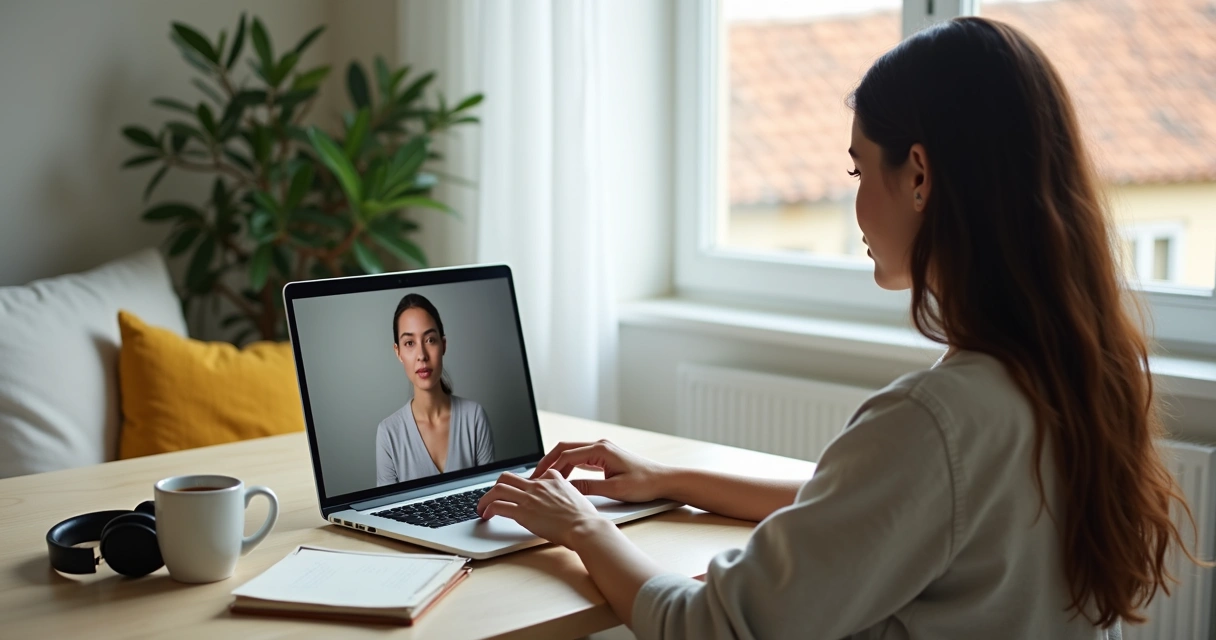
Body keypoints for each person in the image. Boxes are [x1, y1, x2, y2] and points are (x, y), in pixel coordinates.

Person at [474, 16, 1206, 639]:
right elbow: (874, 517)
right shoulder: (1080, 378)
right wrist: (671, 478)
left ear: (919, 175)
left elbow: (709, 625)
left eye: (859, 172)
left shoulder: (935, 420)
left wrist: (580, 528)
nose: (854, 204)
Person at [376, 293, 494, 486]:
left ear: (443, 345)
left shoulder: (474, 417)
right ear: (398, 352)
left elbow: (490, 498)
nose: (422, 355)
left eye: (430, 340)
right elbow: (385, 511)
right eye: (409, 343)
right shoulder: (388, 433)